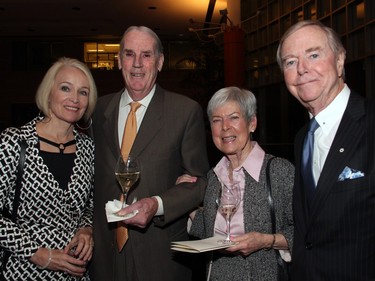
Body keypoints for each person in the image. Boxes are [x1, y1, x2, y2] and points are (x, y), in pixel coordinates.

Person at [89, 26, 210, 281]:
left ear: (160, 62)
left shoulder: (185, 112)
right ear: (119, 60)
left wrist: (157, 204)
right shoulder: (98, 111)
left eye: (146, 55)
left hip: (160, 256)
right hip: (105, 256)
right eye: (129, 54)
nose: (136, 64)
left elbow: (199, 181)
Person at [276, 19, 375, 280]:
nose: (302, 69)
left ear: (340, 61)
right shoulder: (301, 139)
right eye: (290, 62)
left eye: (314, 55)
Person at [179, 86, 294, 281]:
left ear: (252, 123)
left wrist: (266, 241)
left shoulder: (280, 172)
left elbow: (308, 233)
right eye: (216, 120)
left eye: (233, 117)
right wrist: (186, 200)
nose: (225, 127)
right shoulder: (213, 177)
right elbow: (213, 230)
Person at [0, 57, 97, 280]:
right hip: (24, 270)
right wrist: (37, 253)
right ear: (49, 93)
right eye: (65, 88)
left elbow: (89, 205)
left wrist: (86, 229)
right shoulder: (14, 142)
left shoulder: (87, 147)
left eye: (83, 92)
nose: (75, 99)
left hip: (75, 273)